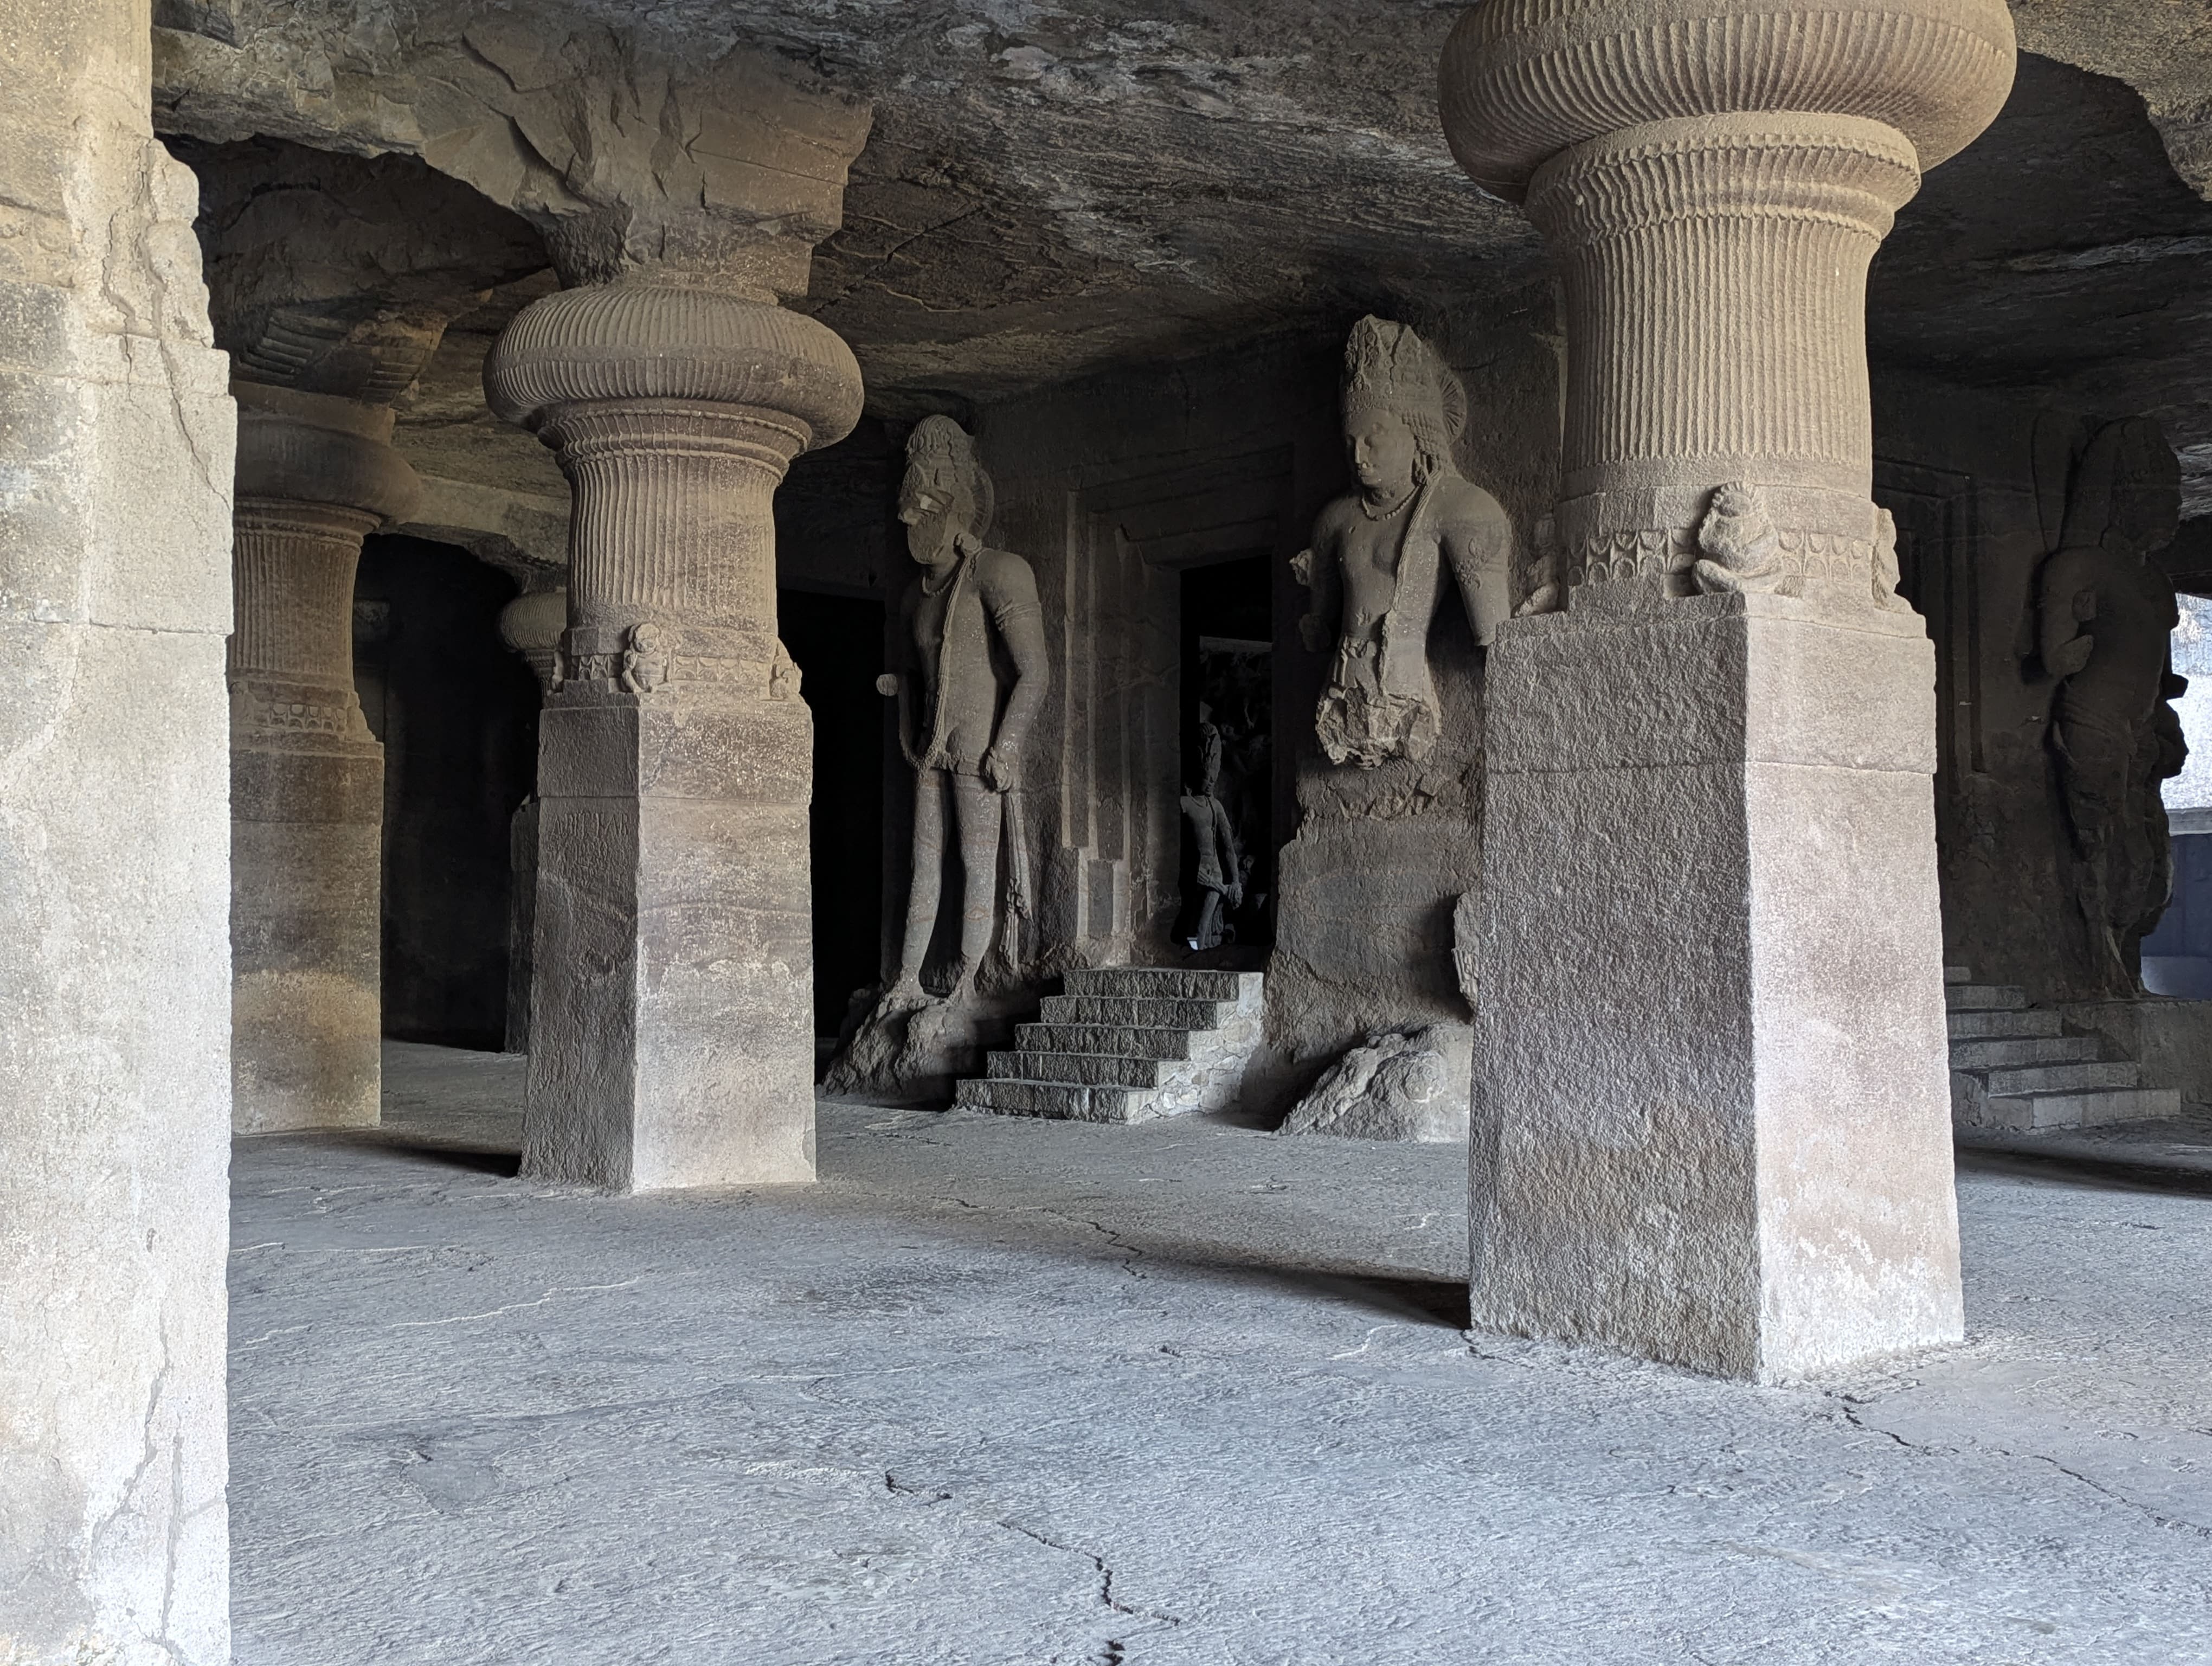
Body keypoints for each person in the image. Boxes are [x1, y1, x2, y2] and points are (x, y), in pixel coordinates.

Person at [1292, 316, 1513, 768]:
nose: (1358, 456)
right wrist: (1313, 584)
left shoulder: (1461, 508)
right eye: (1350, 441)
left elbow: (1496, 638)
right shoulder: (1336, 518)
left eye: (1374, 440)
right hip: (1341, 697)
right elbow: (1319, 632)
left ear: (1416, 432)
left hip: (1406, 697)